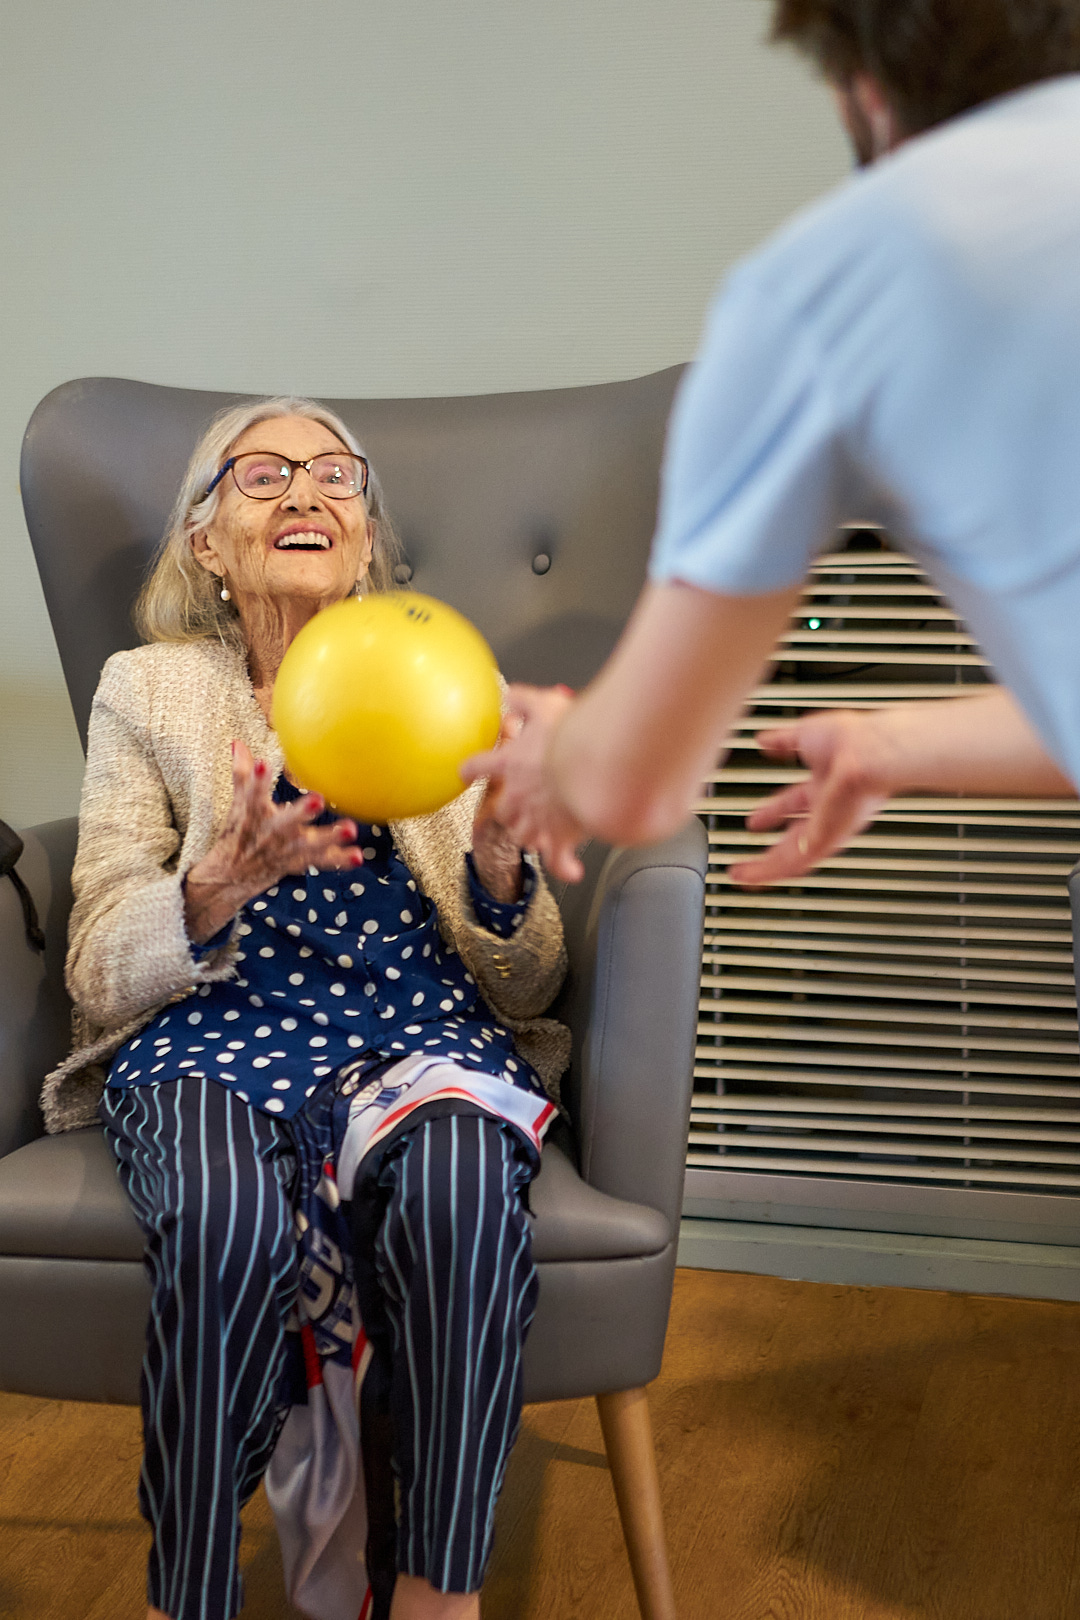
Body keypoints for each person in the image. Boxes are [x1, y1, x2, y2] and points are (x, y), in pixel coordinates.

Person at [43, 397, 570, 1620]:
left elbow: (532, 981)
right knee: (221, 1216)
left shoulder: (448, 673)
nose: (305, 494)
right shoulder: (151, 691)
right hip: (213, 1032)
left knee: (455, 1188)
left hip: (419, 1031)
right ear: (206, 543)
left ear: (367, 536)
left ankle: (443, 1590)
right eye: (262, 473)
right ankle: (195, 1591)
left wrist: (500, 868)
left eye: (336, 475)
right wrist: (213, 885)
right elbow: (96, 961)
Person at [464, 0, 1080, 882]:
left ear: (859, 92)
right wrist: (892, 742)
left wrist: (556, 757)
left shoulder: (821, 288)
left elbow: (635, 789)